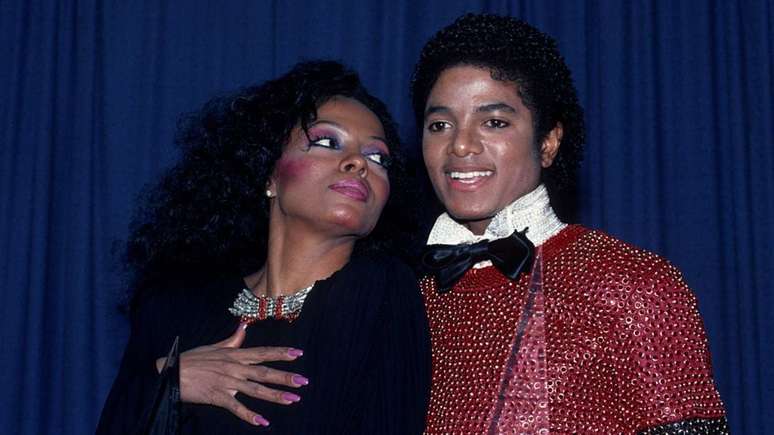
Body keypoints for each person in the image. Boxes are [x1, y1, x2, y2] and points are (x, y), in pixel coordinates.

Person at [411, 13, 728, 434]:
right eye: (440, 125)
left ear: (548, 142)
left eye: (494, 122)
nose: (461, 145)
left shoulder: (635, 284)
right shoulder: (405, 296)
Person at [96, 60, 430, 434]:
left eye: (377, 157)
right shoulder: (175, 305)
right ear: (269, 173)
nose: (358, 163)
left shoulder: (384, 291)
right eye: (327, 142)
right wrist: (168, 380)